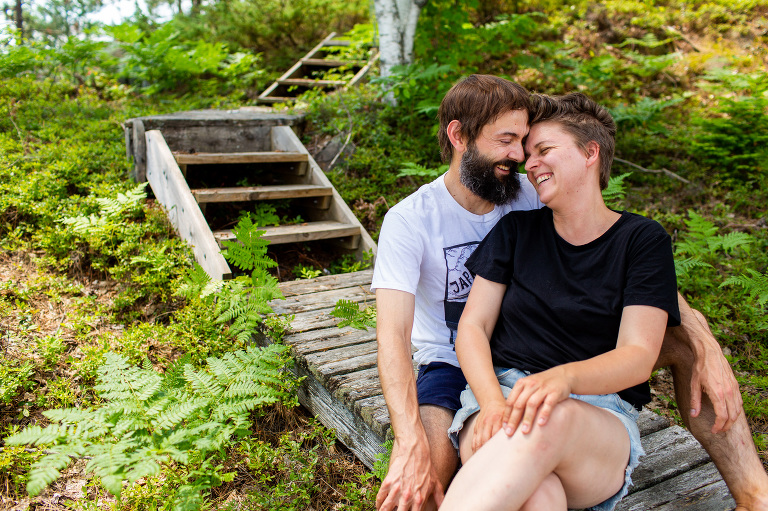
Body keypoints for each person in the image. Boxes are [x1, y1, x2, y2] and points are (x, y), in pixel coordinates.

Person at [371, 74, 768, 511]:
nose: (522, 158)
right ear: (459, 135)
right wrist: (426, 433)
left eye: (532, 145)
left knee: (667, 347)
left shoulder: (534, 193)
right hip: (460, 368)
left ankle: (756, 495)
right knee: (473, 487)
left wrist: (705, 341)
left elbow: (639, 274)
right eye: (510, 142)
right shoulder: (419, 220)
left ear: (590, 153)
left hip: (578, 395)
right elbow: (399, 337)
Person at [440, 92, 676, 510]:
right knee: (542, 496)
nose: (528, 165)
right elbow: (473, 327)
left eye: (544, 150)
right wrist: (493, 400)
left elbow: (638, 355)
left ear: (591, 152)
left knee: (551, 417)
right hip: (500, 396)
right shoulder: (516, 232)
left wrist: (562, 380)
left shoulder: (641, 240)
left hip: (596, 417)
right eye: (528, 155)